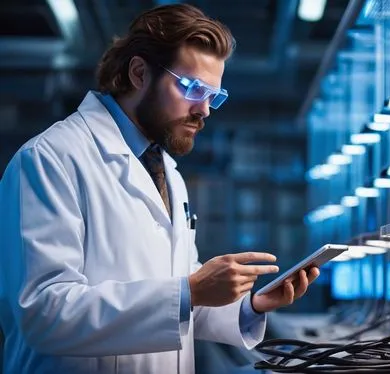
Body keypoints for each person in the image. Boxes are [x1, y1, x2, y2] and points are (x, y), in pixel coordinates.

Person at [0, 3, 320, 374]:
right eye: (192, 88)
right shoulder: (50, 159)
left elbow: (178, 300)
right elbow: (42, 313)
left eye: (213, 96)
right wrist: (190, 291)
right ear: (139, 73)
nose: (204, 110)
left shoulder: (167, 171)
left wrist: (253, 305)